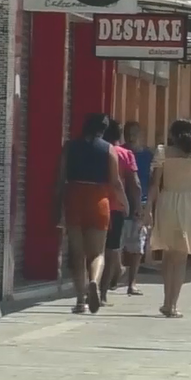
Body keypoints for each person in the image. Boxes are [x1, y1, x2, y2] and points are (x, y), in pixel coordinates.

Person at [52, 113, 126, 314]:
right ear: (104, 130)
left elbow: (60, 179)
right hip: (98, 200)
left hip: (74, 197)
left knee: (78, 254)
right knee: (97, 252)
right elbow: (115, 181)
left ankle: (79, 301)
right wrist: (125, 203)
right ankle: (94, 280)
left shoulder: (70, 147)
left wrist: (57, 206)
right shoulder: (109, 149)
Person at [145, 119, 191, 318]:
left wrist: (148, 208)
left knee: (168, 255)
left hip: (167, 203)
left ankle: (167, 301)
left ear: (172, 135)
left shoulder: (162, 152)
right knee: (181, 258)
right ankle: (173, 305)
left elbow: (154, 185)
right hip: (190, 204)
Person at [99, 119, 141, 305]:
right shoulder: (125, 154)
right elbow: (135, 185)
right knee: (110, 250)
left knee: (92, 250)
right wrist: (137, 206)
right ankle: (103, 294)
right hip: (116, 207)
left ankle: (88, 285)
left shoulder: (98, 151)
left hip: (95, 203)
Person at [125, 121, 155, 279]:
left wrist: (149, 206)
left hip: (141, 203)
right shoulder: (119, 152)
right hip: (121, 202)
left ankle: (132, 281)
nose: (131, 137)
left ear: (140, 135)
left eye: (134, 133)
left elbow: (152, 182)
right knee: (117, 243)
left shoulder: (147, 155)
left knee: (137, 245)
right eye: (128, 133)